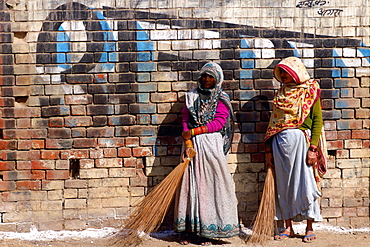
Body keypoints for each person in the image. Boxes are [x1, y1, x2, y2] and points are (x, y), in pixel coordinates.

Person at [174, 62, 239, 246]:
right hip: (191, 147)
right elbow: (186, 118)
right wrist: (187, 141)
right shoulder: (191, 96)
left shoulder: (222, 98)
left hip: (211, 146)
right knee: (190, 186)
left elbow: (218, 123)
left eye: (211, 77)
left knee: (210, 186)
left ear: (218, 79)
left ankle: (209, 231)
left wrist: (194, 132)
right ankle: (189, 231)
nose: (207, 80)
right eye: (204, 76)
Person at [264, 57, 325, 243]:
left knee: (306, 185)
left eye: (286, 72)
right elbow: (272, 123)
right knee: (284, 187)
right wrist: (268, 151)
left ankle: (309, 226)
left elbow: (317, 121)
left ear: (296, 71)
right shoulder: (280, 94)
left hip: (302, 144)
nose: (283, 76)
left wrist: (313, 148)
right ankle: (287, 227)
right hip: (280, 145)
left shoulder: (310, 91)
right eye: (281, 72)